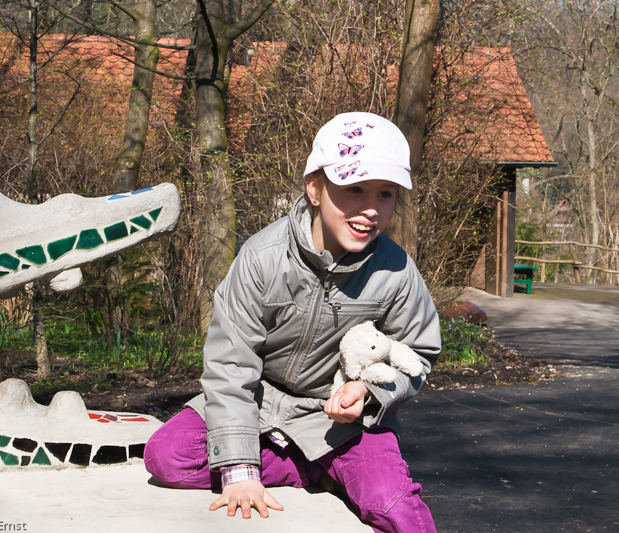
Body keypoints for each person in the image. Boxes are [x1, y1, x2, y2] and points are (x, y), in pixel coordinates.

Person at [144, 112, 441, 533]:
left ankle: (327, 462)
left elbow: (420, 353)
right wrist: (240, 470)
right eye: (354, 189)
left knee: (394, 506)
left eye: (386, 194)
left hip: (344, 425)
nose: (371, 209)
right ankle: (312, 467)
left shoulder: (397, 272)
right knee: (168, 455)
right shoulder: (262, 257)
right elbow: (231, 364)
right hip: (262, 407)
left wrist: (369, 389)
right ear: (315, 188)